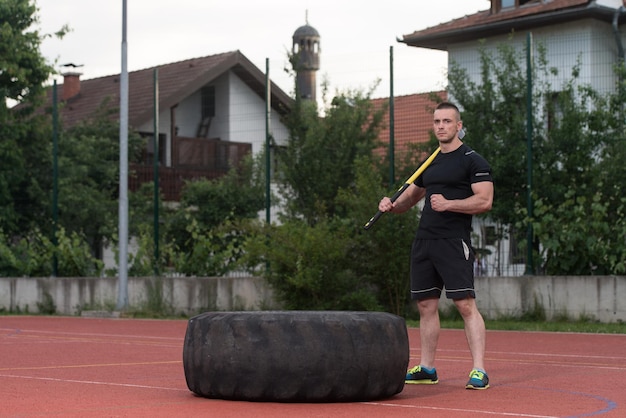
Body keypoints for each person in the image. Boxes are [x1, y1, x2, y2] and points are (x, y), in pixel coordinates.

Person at [377, 101, 494, 390]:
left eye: (446, 121)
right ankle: (427, 368)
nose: (441, 126)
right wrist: (390, 204)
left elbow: (485, 201)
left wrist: (449, 204)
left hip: (453, 242)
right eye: (437, 121)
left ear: (459, 125)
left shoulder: (473, 161)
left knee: (465, 305)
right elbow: (409, 200)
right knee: (426, 305)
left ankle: (479, 370)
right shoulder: (430, 162)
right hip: (424, 240)